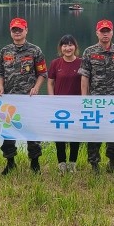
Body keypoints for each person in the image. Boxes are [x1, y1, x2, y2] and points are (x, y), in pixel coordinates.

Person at [0, 17, 47, 175]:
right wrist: (0, 87)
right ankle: (10, 163)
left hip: (28, 99)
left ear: (26, 30)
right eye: (14, 30)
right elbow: (0, 72)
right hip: (9, 99)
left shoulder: (35, 50)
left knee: (31, 132)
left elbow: (42, 73)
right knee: (8, 132)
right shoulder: (5, 51)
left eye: (20, 29)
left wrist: (36, 88)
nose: (17, 32)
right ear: (11, 32)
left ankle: (35, 163)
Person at [79, 19, 114, 174]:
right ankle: (94, 164)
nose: (105, 34)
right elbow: (85, 76)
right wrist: (84, 97)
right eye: (102, 31)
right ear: (97, 33)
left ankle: (112, 162)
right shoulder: (89, 52)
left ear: (112, 32)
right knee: (94, 133)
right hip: (96, 99)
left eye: (108, 31)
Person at [47, 34, 82, 173]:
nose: (68, 48)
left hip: (76, 105)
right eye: (65, 45)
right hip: (59, 105)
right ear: (61, 48)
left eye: (70, 45)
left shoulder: (82, 62)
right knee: (59, 134)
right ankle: (61, 163)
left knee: (75, 134)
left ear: (75, 47)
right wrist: (52, 98)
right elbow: (50, 82)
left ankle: (72, 163)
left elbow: (86, 83)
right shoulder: (56, 63)